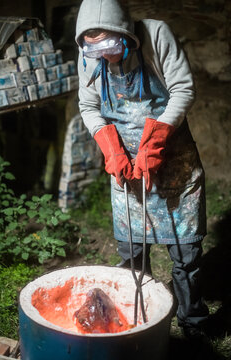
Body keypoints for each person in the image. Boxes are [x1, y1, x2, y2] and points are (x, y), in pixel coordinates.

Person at [75, 0, 209, 340]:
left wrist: (157, 138)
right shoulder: (90, 52)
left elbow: (183, 88)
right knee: (132, 254)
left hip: (173, 159)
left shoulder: (156, 35)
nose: (104, 55)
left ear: (125, 34)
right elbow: (88, 105)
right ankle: (139, 320)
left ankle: (192, 324)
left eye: (110, 45)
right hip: (126, 167)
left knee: (186, 252)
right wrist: (110, 146)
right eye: (95, 48)